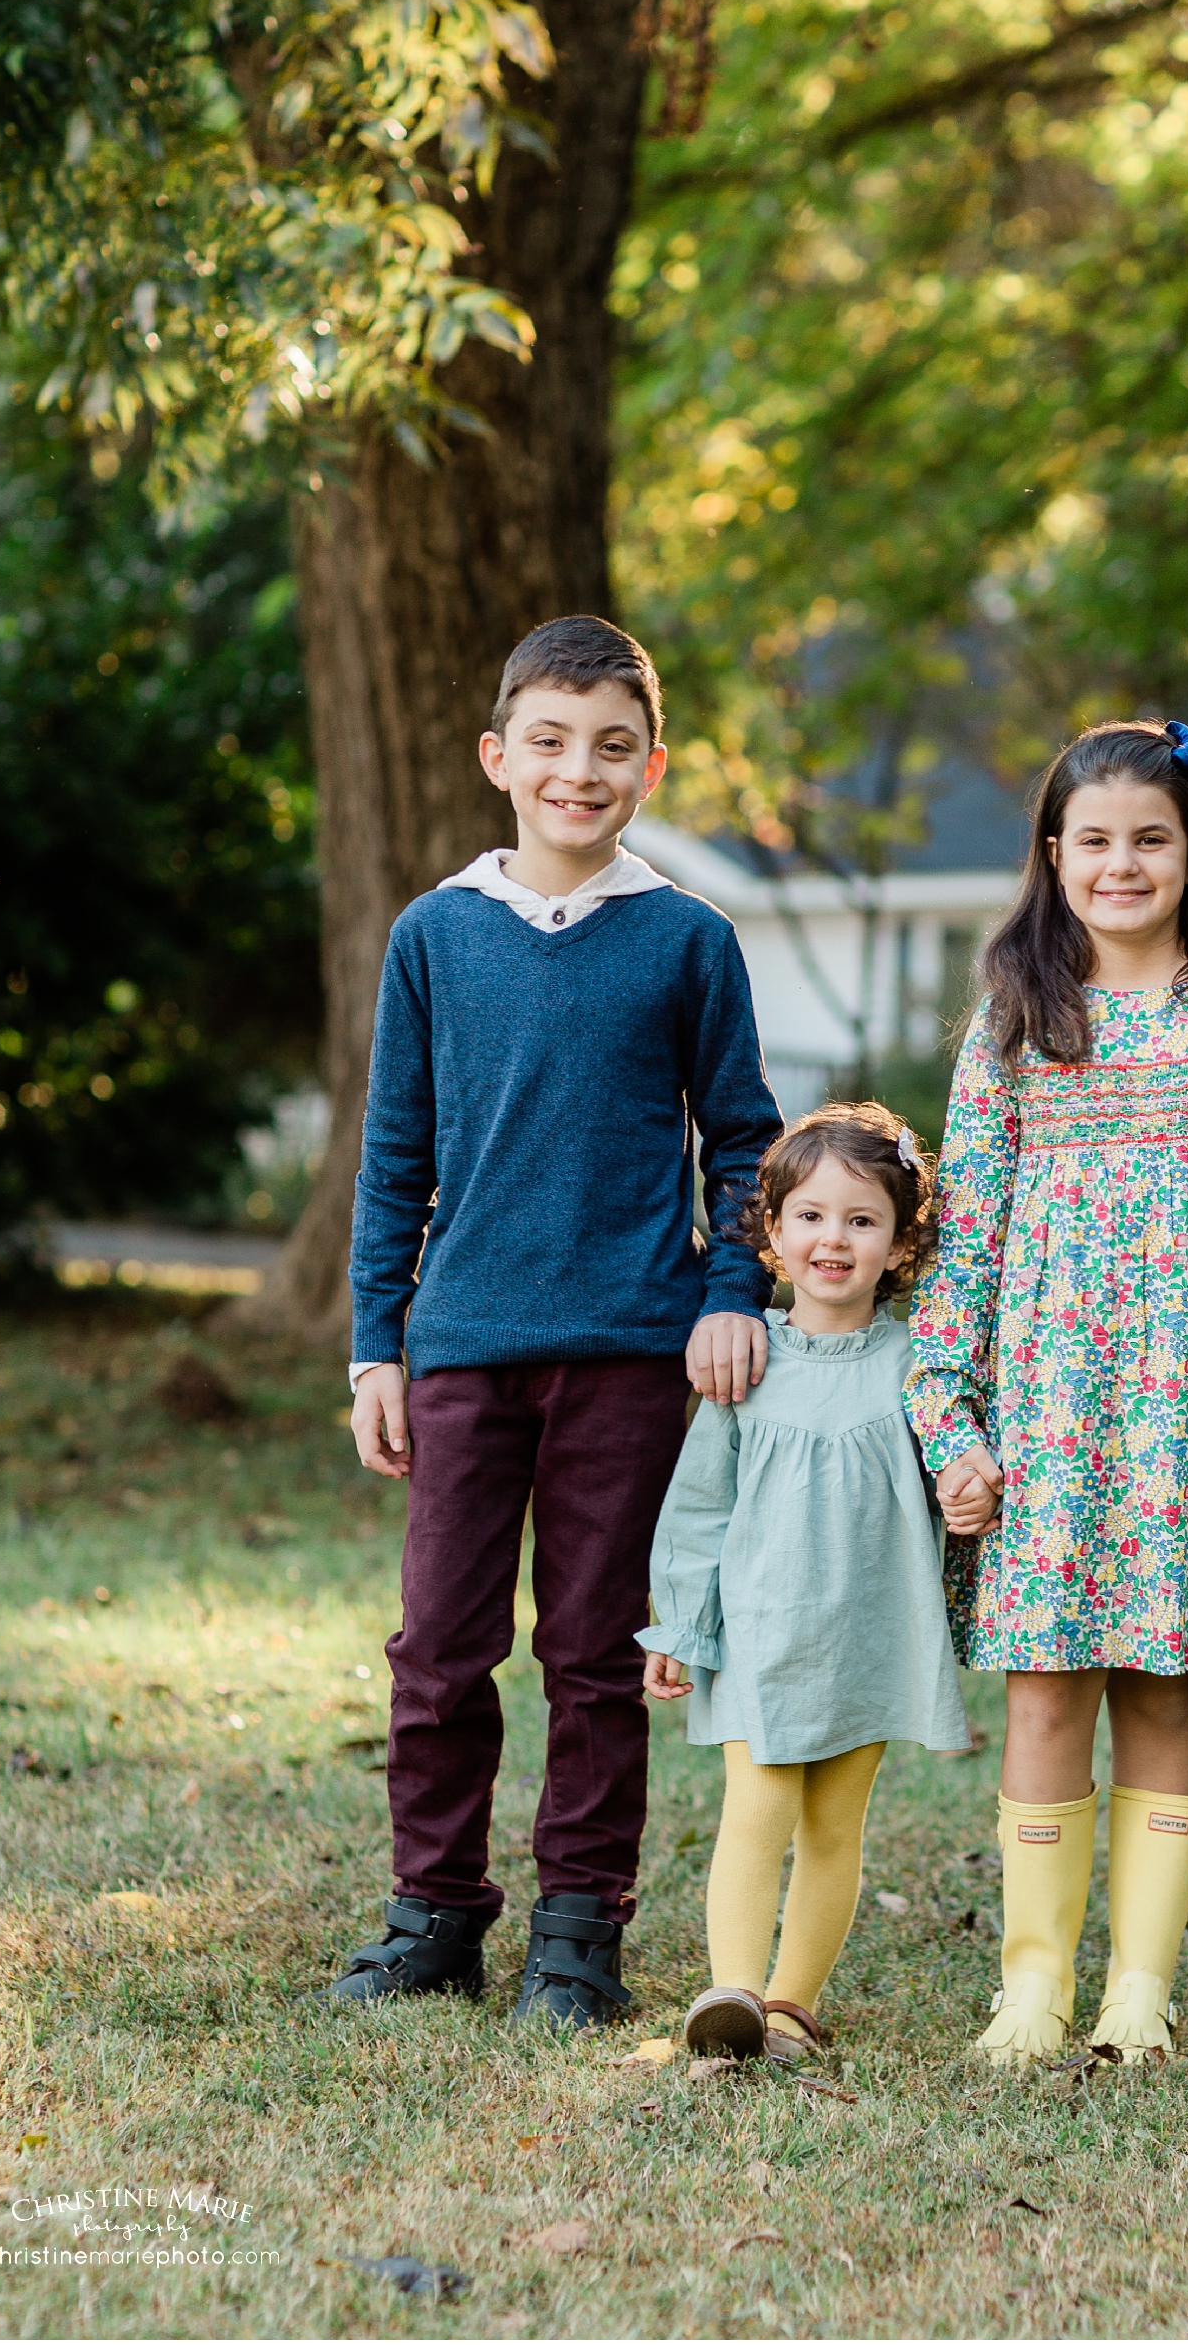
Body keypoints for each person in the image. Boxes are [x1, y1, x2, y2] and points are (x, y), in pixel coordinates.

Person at [324, 615, 782, 2029]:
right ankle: (435, 1919)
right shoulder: (434, 936)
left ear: (652, 766)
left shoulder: (690, 940)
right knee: (439, 1649)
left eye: (611, 746)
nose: (578, 770)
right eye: (550, 742)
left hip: (634, 1355)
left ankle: (579, 1937)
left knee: (596, 1655)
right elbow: (396, 1148)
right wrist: (375, 1342)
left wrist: (726, 1299)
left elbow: (745, 1146)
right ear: (497, 756)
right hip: (463, 1345)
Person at [905, 718, 1188, 2065]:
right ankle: (1033, 1988)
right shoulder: (1017, 1024)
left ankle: (1137, 1992)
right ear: (1055, 857)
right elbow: (967, 1241)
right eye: (1094, 841)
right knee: (1046, 1690)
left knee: (1165, 1690)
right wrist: (954, 1417)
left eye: (1150, 839)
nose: (1122, 864)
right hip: (1054, 1413)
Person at [641, 1104, 969, 2063]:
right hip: (762, 1630)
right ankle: (732, 1992)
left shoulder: (918, 1367)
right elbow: (699, 1509)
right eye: (813, 1216)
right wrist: (679, 1628)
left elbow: (953, 1481)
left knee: (834, 1822)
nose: (835, 1238)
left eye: (862, 1220)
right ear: (773, 1233)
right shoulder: (751, 1358)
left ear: (900, 1241)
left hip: (871, 1629)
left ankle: (790, 2006)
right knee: (758, 1804)